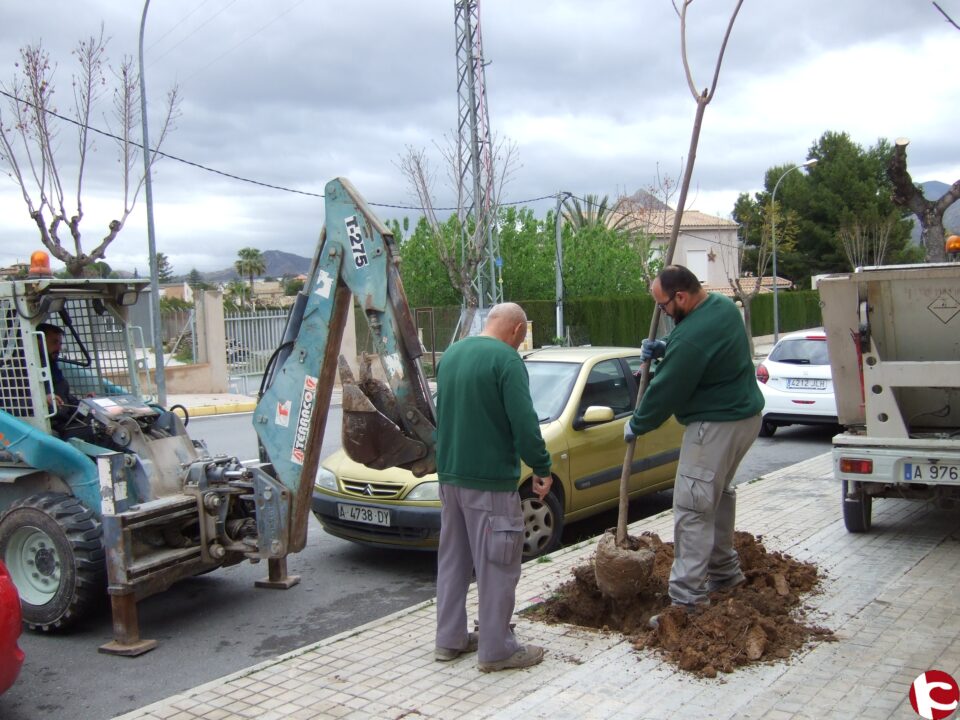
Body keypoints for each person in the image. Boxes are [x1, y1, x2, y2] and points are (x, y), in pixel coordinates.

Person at [624, 265, 763, 618]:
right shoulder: (722, 307)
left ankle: (687, 601)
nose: (663, 313)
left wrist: (637, 424)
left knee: (692, 506)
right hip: (745, 419)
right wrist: (666, 346)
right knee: (717, 495)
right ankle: (725, 574)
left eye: (664, 306)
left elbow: (666, 390)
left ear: (681, 297)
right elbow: (696, 342)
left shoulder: (691, 339)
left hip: (714, 425)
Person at [433, 302, 553, 672]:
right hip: (489, 483)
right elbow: (523, 419)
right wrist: (542, 465)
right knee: (498, 564)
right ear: (517, 331)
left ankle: (449, 640)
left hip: (451, 479)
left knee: (453, 560)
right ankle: (497, 649)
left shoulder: (451, 355)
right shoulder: (506, 360)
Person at [37, 322, 81, 426]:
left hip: (65, 421)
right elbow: (14, 405)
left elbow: (65, 398)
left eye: (60, 344)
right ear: (38, 341)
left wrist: (85, 404)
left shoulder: (52, 367)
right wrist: (42, 400)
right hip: (48, 425)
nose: (59, 348)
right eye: (54, 342)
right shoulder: (21, 370)